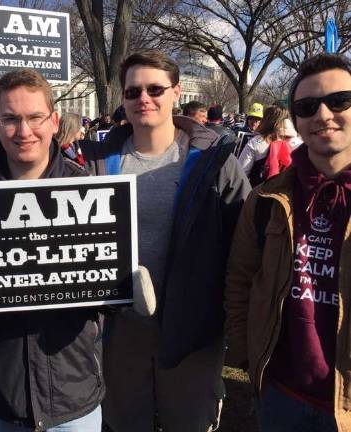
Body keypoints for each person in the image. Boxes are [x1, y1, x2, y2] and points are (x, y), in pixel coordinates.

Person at [81, 49, 251, 432]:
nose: (143, 98)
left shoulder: (216, 161)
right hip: (119, 329)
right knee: (125, 424)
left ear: (176, 93)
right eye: (133, 91)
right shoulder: (96, 162)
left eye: (155, 89)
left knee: (188, 423)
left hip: (193, 326)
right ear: (122, 99)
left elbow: (242, 246)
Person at [0, 69, 103, 431]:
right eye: (11, 119)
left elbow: (105, 294)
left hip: (72, 395)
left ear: (54, 121)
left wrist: (124, 284)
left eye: (34, 117)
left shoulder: (89, 190)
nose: (24, 131)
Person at [225, 53, 351, 431]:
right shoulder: (265, 200)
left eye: (340, 101)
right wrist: (247, 356)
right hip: (281, 395)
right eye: (308, 106)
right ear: (295, 119)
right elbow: (239, 281)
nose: (323, 114)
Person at [238, 105, 301, 185]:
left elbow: (241, 173)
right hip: (288, 193)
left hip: (259, 191)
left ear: (265, 120)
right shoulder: (298, 143)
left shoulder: (256, 142)